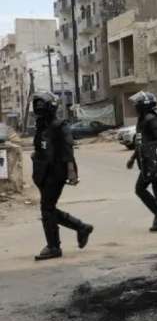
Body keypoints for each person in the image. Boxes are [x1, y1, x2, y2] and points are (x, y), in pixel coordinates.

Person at [30, 91, 93, 260]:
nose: (38, 108)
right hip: (43, 173)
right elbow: (40, 148)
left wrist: (71, 172)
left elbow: (68, 149)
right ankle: (81, 228)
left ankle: (54, 247)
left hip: (56, 173)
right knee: (48, 209)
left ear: (51, 107)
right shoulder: (41, 125)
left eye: (42, 105)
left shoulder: (60, 125)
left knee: (47, 208)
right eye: (37, 106)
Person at [126, 91, 157, 231]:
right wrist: (133, 158)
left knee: (140, 189)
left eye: (137, 105)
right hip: (147, 161)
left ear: (144, 106)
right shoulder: (143, 119)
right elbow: (141, 142)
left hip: (152, 162)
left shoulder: (151, 119)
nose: (135, 107)